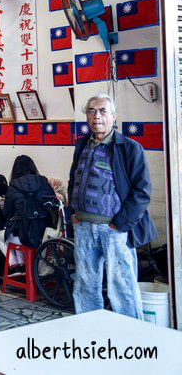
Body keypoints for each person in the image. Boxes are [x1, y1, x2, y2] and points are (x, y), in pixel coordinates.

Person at [69, 95, 157, 319]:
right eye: (91, 111)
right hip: (84, 226)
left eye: (102, 111)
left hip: (114, 229)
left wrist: (120, 224)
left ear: (114, 117)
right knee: (85, 284)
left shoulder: (129, 148)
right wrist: (73, 213)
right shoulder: (82, 144)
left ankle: (132, 337)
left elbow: (142, 191)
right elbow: (74, 180)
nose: (96, 116)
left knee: (122, 286)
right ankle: (91, 332)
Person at [0, 155, 57, 269]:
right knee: (16, 228)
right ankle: (24, 266)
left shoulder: (13, 185)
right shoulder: (43, 181)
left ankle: (14, 264)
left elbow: (7, 213)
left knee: (0, 236)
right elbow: (53, 204)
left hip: (25, 237)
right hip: (46, 235)